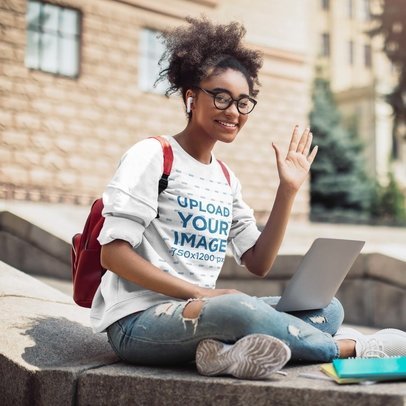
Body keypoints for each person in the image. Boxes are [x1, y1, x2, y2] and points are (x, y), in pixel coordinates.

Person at [90, 17, 406, 380]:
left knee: (327, 309)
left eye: (243, 103)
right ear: (191, 97)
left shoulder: (225, 179)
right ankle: (351, 349)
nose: (233, 112)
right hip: (140, 321)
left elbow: (258, 263)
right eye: (221, 97)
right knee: (237, 308)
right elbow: (112, 254)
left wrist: (287, 190)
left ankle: (223, 353)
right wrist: (203, 294)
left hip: (202, 312)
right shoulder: (152, 154)